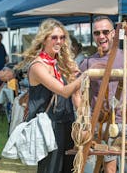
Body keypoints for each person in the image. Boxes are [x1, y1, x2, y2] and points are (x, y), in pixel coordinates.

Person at [79, 16, 127, 173]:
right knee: (109, 169)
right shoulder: (88, 63)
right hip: (103, 123)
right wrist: (84, 119)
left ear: (113, 33)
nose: (101, 36)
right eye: (97, 33)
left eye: (105, 32)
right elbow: (78, 93)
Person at [15, 18, 83, 173]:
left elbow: (75, 94)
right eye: (54, 37)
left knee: (70, 169)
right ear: (44, 39)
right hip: (48, 126)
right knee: (50, 169)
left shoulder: (62, 63)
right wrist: (85, 76)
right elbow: (64, 91)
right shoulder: (38, 66)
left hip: (67, 122)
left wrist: (83, 120)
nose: (59, 41)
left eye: (62, 37)